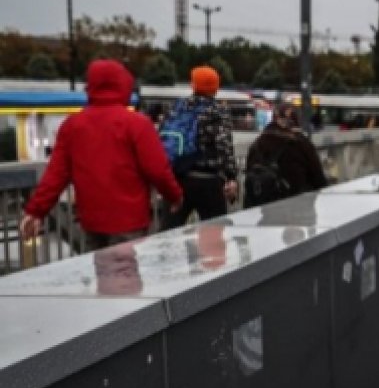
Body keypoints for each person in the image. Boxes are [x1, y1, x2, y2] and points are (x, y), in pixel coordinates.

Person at [19, 59, 183, 251]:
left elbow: (55, 175)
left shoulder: (72, 126)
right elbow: (158, 169)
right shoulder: (138, 124)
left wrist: (36, 211)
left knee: (99, 274)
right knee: (125, 276)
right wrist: (174, 196)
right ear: (124, 85)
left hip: (91, 221)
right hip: (129, 220)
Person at [162, 65, 239, 228]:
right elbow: (223, 145)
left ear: (193, 85)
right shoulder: (217, 110)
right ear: (216, 87)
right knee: (214, 236)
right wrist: (231, 176)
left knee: (169, 233)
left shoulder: (176, 107)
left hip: (178, 178)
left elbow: (163, 137)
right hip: (208, 181)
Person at [242, 106, 329, 207]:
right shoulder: (301, 143)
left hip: (267, 211)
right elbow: (318, 178)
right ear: (295, 122)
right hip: (299, 208)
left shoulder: (257, 144)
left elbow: (250, 174)